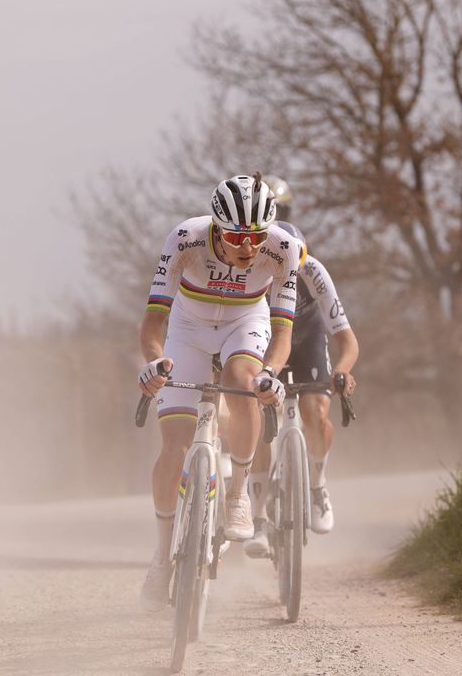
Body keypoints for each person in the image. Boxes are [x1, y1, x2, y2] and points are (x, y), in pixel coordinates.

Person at [137, 173, 303, 611]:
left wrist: (271, 372)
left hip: (245, 323)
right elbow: (154, 322)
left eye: (256, 237)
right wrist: (154, 363)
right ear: (215, 226)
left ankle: (237, 494)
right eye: (235, 237)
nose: (248, 248)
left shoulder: (282, 248)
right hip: (188, 330)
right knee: (173, 446)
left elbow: (283, 333)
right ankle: (161, 556)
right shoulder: (185, 239)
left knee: (241, 382)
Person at [244, 220, 358, 558]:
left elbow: (347, 340)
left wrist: (342, 370)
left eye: (297, 265)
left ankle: (317, 485)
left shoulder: (314, 271)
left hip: (306, 337)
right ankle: (259, 517)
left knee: (315, 412)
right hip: (266, 337)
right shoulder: (253, 268)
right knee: (263, 425)